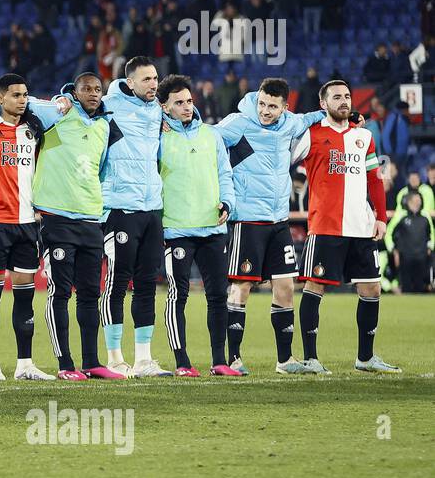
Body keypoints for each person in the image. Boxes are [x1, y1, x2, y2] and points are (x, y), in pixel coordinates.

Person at [216, 78, 325, 374]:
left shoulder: (290, 123)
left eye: (272, 106)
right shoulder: (238, 123)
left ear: (284, 107)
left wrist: (347, 117)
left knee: (287, 286)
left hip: (279, 221)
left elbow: (314, 116)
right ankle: (234, 358)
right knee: (242, 286)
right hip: (248, 219)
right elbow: (206, 139)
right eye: (262, 103)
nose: (265, 110)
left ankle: (285, 360)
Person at [294, 80, 401, 373]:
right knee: (314, 287)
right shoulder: (311, 135)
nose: (344, 101)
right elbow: (284, 161)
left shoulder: (364, 136)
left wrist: (380, 217)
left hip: (361, 227)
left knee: (372, 289)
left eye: (347, 96)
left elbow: (374, 179)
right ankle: (311, 359)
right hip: (325, 226)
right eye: (336, 97)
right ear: (323, 104)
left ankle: (365, 358)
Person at [26, 72, 122, 380]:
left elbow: (102, 168)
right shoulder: (58, 114)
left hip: (91, 219)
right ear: (75, 92)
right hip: (57, 219)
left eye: (98, 89)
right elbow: (17, 99)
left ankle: (92, 362)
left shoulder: (104, 127)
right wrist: (58, 101)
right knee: (60, 291)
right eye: (87, 89)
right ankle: (65, 364)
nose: (94, 93)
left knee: (89, 294)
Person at [156, 76, 242, 377]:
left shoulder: (211, 135)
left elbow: (225, 175)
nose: (186, 107)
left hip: (212, 228)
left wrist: (227, 204)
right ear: (163, 107)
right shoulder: (157, 138)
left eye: (189, 101)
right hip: (176, 230)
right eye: (178, 102)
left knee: (218, 294)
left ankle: (219, 361)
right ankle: (182, 362)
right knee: (177, 296)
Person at [0, 73, 53, 381]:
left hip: (27, 223)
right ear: (0, 99)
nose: (23, 100)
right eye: (16, 95)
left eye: (25, 95)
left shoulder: (33, 131)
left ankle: (25, 365)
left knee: (25, 297)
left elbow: (58, 109)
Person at [99, 56, 167, 376]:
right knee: (117, 282)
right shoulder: (108, 105)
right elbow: (65, 102)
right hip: (120, 208)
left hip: (152, 208)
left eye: (155, 78)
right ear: (130, 83)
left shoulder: (156, 110)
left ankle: (143, 359)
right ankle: (114, 357)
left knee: (146, 285)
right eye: (147, 80)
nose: (153, 84)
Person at [385, 191, 434, 293]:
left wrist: (430, 247)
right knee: (406, 286)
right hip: (405, 257)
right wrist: (393, 250)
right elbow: (388, 233)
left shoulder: (425, 216)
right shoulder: (400, 216)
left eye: (419, 200)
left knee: (420, 287)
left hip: (421, 256)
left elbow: (431, 234)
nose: (417, 203)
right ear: (408, 202)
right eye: (415, 201)